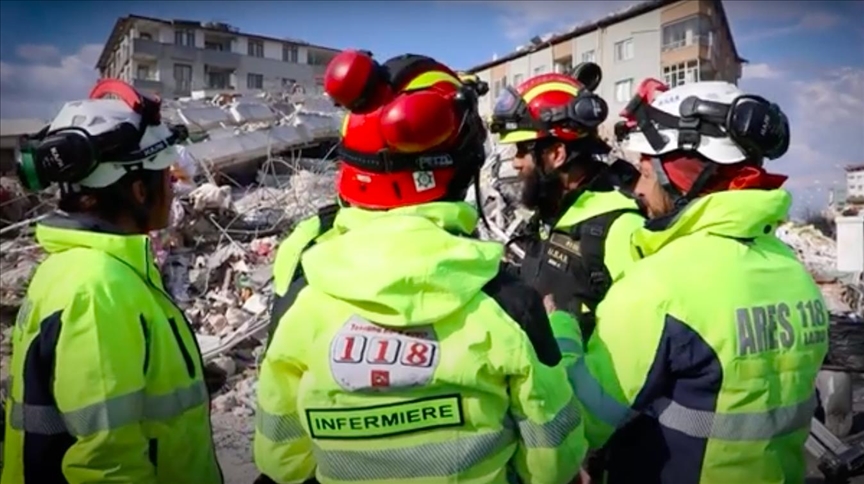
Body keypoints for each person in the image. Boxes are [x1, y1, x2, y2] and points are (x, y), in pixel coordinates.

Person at [254, 50, 587, 484]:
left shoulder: (303, 302)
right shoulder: (508, 308)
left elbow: (283, 461)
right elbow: (552, 465)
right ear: (459, 168)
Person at [555, 78, 828, 484]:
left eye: (647, 169)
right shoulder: (790, 268)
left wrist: (561, 328)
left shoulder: (659, 285)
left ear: (682, 173)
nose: (640, 189)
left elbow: (584, 419)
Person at [1, 79, 223, 484]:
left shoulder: (68, 268)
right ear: (139, 190)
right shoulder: (99, 288)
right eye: (166, 180)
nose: (173, 192)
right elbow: (106, 465)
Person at [489, 63, 645, 341]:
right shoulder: (554, 212)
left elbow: (639, 345)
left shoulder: (620, 229)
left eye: (523, 149)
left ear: (557, 154)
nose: (515, 162)